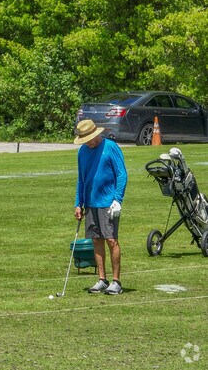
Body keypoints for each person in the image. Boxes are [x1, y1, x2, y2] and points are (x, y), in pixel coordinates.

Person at [74, 120, 128, 295]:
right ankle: (102, 279)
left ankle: (116, 281)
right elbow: (81, 179)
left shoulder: (111, 147)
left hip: (108, 203)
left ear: (96, 134)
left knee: (111, 240)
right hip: (90, 202)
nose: (89, 142)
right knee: (96, 240)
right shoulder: (82, 152)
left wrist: (118, 199)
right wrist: (78, 203)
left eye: (89, 138)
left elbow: (122, 174)